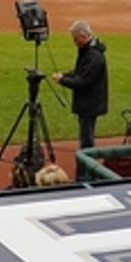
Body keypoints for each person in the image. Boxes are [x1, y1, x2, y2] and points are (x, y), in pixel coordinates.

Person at [53, 19, 109, 174]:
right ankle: (86, 172)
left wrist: (63, 80)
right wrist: (65, 75)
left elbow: (84, 80)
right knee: (86, 139)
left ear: (83, 36)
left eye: (75, 39)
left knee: (87, 141)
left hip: (90, 103)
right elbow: (79, 72)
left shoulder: (94, 56)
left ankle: (85, 174)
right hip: (89, 102)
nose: (74, 42)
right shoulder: (88, 52)